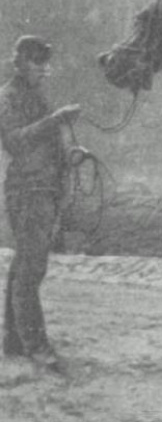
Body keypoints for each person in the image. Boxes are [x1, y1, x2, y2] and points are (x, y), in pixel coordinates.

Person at [0, 35, 81, 371]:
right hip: (27, 190)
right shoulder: (7, 98)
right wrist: (57, 119)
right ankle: (36, 344)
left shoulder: (36, 96)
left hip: (45, 187)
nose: (45, 71)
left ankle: (14, 339)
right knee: (33, 267)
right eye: (38, 63)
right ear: (19, 63)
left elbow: (48, 140)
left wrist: (72, 155)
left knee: (25, 264)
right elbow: (15, 142)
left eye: (47, 64)